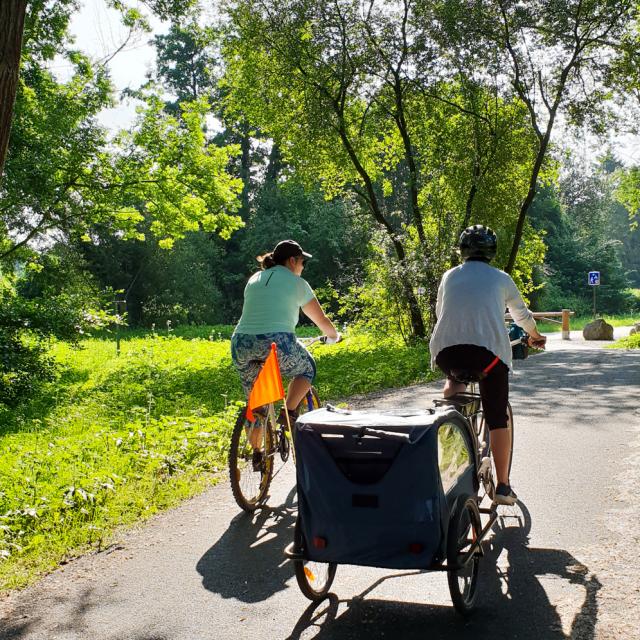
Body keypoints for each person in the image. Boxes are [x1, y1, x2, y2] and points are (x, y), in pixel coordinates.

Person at [429, 225, 546, 506]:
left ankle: (453, 425)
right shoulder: (501, 278)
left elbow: (440, 311)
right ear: (492, 251)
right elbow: (521, 315)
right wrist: (535, 336)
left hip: (446, 351)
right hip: (488, 356)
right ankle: (503, 487)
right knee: (496, 416)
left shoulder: (449, 276)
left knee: (454, 381)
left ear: (462, 250)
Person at [231, 240, 339, 466]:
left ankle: (257, 453)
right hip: (277, 342)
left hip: (241, 343)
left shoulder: (254, 280)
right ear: (292, 261)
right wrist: (334, 336)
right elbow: (321, 320)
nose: (303, 267)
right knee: (307, 368)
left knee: (256, 401)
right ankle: (288, 412)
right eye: (303, 262)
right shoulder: (297, 282)